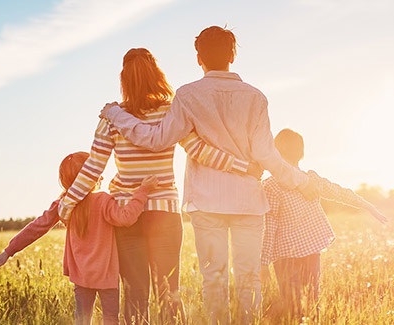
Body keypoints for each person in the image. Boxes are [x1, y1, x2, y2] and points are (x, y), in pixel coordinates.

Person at [99, 26, 319, 324]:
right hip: (248, 203)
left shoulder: (187, 95)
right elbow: (267, 156)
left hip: (207, 202)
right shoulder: (256, 97)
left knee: (213, 278)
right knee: (248, 277)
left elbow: (157, 140)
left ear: (198, 57)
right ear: (232, 55)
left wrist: (114, 113)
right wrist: (301, 182)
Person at [60, 48, 259, 324]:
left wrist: (67, 203)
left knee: (135, 294)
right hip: (164, 213)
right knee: (168, 293)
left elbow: (93, 166)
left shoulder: (112, 118)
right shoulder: (171, 113)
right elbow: (199, 150)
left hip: (125, 216)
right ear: (156, 74)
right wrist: (241, 166)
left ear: (124, 79)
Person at [0, 151, 158, 325]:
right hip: (106, 274)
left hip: (80, 275)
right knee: (111, 320)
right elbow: (126, 218)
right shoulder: (103, 200)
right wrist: (142, 191)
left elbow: (36, 228)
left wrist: (8, 252)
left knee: (82, 320)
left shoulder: (64, 204)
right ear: (91, 175)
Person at [259, 129, 388, 320]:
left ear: (276, 152)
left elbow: (269, 228)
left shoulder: (272, 185)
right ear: (301, 153)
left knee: (293, 305)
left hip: (287, 256)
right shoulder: (310, 180)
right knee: (311, 303)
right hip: (308, 251)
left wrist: (263, 263)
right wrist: (367, 205)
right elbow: (340, 192)